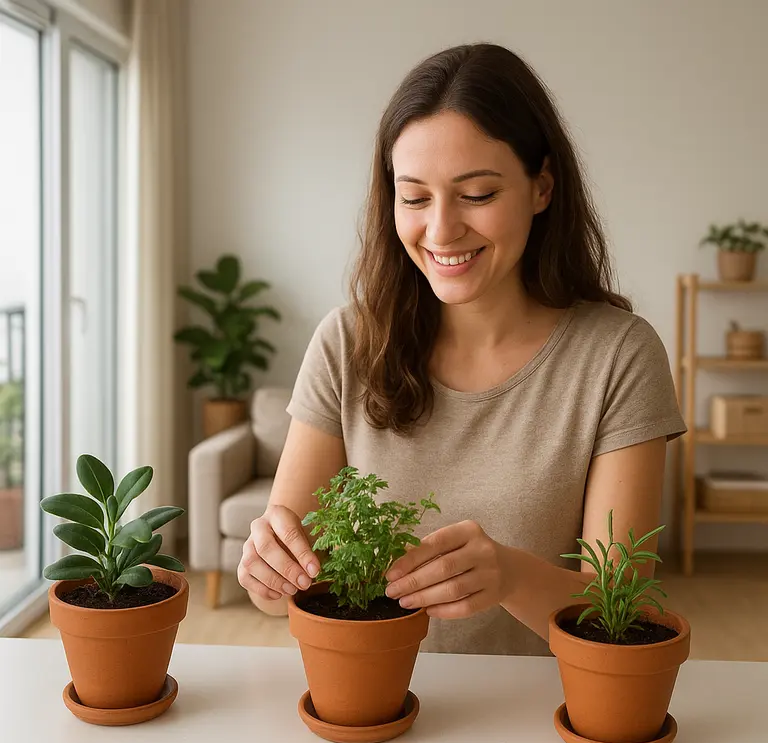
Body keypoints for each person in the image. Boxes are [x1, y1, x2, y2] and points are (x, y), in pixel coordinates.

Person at [237, 43, 687, 656]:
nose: (441, 230)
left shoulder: (618, 357)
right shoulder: (347, 344)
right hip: (368, 701)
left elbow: (623, 610)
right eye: (415, 197)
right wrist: (267, 570)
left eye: (477, 194)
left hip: (540, 717)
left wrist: (511, 576)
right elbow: (277, 589)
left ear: (542, 187)